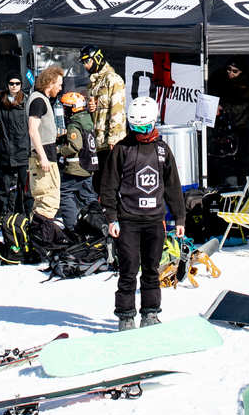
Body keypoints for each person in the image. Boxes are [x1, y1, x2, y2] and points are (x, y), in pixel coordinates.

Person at [99, 96, 186, 330]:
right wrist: (111, 218)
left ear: (154, 123)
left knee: (151, 269)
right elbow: (108, 187)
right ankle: (126, 316)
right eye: (135, 127)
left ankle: (150, 313)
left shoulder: (162, 150)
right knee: (128, 269)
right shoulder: (122, 149)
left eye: (144, 127)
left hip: (154, 221)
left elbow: (172, 186)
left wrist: (179, 217)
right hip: (128, 221)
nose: (140, 132)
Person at [0, 75, 32, 221]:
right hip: (6, 151)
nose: (14, 86)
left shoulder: (27, 101)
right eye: (11, 83)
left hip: (23, 151)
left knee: (26, 189)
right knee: (4, 188)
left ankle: (26, 218)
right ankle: (3, 219)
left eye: (17, 83)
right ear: (7, 85)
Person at [55, 88, 100, 234]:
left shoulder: (74, 124)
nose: (65, 111)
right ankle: (98, 223)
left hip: (76, 167)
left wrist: (59, 150)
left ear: (73, 108)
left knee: (65, 193)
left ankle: (72, 228)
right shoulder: (87, 119)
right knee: (89, 196)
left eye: (66, 108)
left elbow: (75, 145)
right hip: (89, 166)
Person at [28, 67, 65, 232]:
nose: (61, 88)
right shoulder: (38, 100)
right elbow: (32, 130)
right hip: (42, 158)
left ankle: (38, 236)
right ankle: (41, 237)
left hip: (48, 155)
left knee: (45, 201)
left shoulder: (42, 100)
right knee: (48, 201)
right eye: (59, 84)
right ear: (50, 83)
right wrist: (42, 157)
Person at [81, 47, 128, 155]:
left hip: (111, 142)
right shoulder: (94, 83)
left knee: (111, 171)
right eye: (83, 62)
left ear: (97, 58)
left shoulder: (113, 79)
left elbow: (117, 110)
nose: (85, 65)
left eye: (87, 61)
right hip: (98, 141)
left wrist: (114, 138)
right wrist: (91, 106)